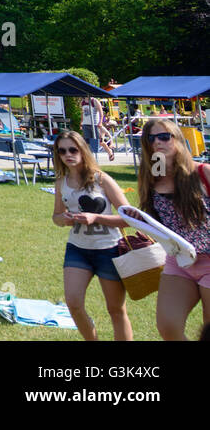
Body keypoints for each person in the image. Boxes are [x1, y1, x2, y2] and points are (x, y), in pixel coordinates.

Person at [51, 131, 132, 340]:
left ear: (83, 150)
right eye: (62, 151)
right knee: (73, 303)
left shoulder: (101, 179)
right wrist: (63, 219)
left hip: (109, 249)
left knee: (116, 309)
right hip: (78, 249)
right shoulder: (61, 183)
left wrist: (95, 218)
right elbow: (56, 216)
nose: (68, 155)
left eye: (73, 149)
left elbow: (130, 218)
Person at [137, 119, 210, 340]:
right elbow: (159, 223)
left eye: (164, 136)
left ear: (178, 140)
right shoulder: (151, 180)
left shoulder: (203, 173)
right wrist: (138, 219)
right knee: (168, 327)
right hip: (180, 260)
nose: (157, 142)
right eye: (151, 138)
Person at [81, 95, 116, 161]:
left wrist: (100, 122)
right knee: (87, 142)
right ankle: (90, 158)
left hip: (95, 124)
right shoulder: (82, 102)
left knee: (100, 142)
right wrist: (81, 122)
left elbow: (101, 112)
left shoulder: (94, 101)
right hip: (86, 124)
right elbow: (82, 113)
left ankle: (110, 152)